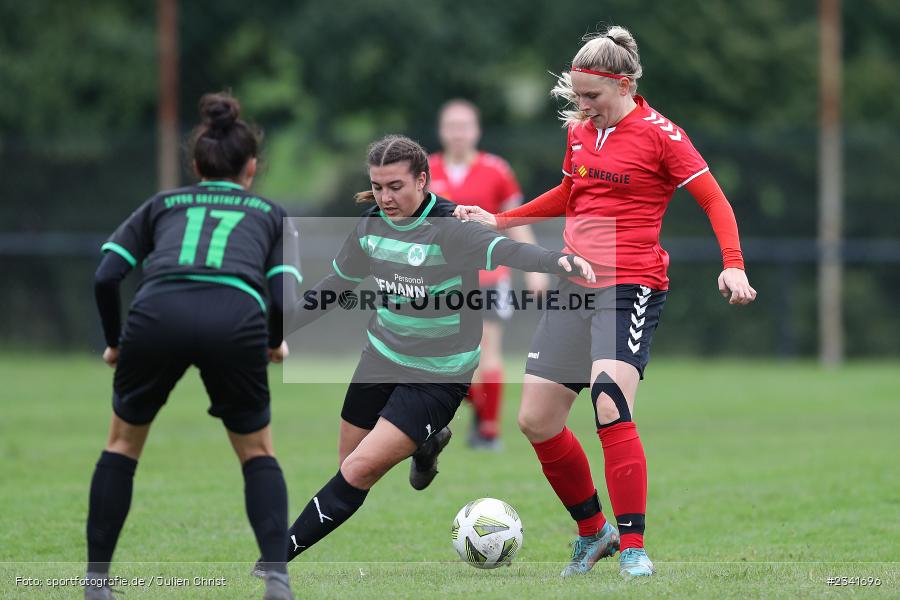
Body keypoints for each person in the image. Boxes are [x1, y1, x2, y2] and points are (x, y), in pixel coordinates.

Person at [454, 26, 757, 579]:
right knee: (536, 420)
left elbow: (714, 200)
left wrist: (732, 263)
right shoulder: (580, 132)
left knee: (610, 403)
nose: (582, 105)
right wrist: (499, 219)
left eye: (591, 95)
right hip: (576, 284)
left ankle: (636, 547)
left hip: (631, 284)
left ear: (622, 84)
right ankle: (595, 533)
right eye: (576, 95)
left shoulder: (661, 134)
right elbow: (571, 194)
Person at [251, 134, 594, 576]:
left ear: (422, 180)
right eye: (377, 187)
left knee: (357, 471)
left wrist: (557, 261)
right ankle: (427, 443)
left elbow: (508, 250)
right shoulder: (371, 227)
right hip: (380, 357)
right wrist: (269, 331)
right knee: (347, 465)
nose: (385, 197)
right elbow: (331, 290)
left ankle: (274, 559)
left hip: (437, 375)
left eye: (395, 186)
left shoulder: (451, 227)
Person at [86, 93, 300, 600]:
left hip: (157, 312)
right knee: (257, 451)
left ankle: (96, 583)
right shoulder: (270, 213)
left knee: (121, 444)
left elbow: (106, 275)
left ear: (197, 165)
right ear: (251, 168)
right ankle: (276, 579)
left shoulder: (163, 204)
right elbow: (282, 295)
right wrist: (273, 343)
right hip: (236, 318)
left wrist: (116, 343)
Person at [429, 99, 549, 450]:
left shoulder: (496, 170)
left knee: (488, 352)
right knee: (442, 358)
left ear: (477, 131)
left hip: (489, 277)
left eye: (465, 126)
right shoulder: (426, 170)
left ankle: (488, 431)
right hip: (439, 281)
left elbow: (515, 220)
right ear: (442, 130)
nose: (458, 133)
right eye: (452, 126)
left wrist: (536, 266)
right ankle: (450, 416)